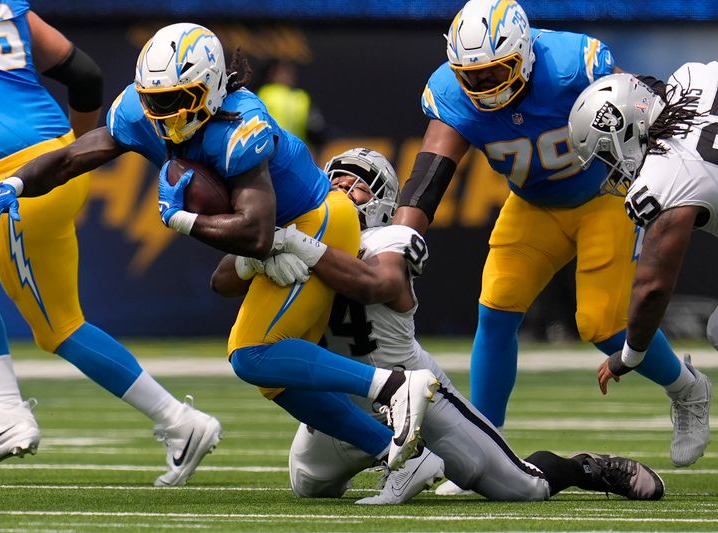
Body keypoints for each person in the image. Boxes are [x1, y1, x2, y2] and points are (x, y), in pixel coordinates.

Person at [0, 22, 440, 471]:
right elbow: (73, 157)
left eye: (179, 99)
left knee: (253, 354)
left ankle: (394, 385)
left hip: (314, 220)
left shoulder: (241, 124)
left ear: (212, 86)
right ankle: (396, 455)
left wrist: (181, 218)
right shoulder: (140, 111)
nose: (167, 113)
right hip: (271, 230)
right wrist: (14, 182)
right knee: (275, 378)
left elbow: (256, 232)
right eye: (157, 100)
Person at [213, 147, 666, 504]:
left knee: (522, 489)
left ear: (385, 201)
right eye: (335, 183)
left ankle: (585, 468)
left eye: (357, 187)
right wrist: (259, 255)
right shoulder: (303, 232)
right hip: (345, 404)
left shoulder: (386, 238)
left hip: (418, 396)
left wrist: (304, 247)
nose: (343, 193)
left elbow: (379, 283)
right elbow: (222, 281)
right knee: (308, 484)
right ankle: (390, 456)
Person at [391, 0, 708, 469]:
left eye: (494, 72)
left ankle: (687, 387)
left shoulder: (570, 62)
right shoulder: (451, 92)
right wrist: (399, 239)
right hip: (533, 203)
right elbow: (430, 175)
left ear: (524, 53)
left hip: (603, 196)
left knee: (602, 326)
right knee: (496, 310)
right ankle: (484, 450)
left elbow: (638, 106)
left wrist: (660, 181)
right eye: (471, 76)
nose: (482, 86)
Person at [0, 1, 220, 486]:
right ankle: (4, 410)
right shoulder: (0, 8)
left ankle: (179, 421)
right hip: (53, 159)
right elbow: (84, 73)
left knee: (59, 328)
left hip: (13, 182)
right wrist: (79, 156)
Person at [568, 67, 715, 466]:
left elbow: (652, 287)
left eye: (606, 153)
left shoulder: (665, 176)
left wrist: (629, 356)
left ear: (625, 131)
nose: (611, 167)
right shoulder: (692, 76)